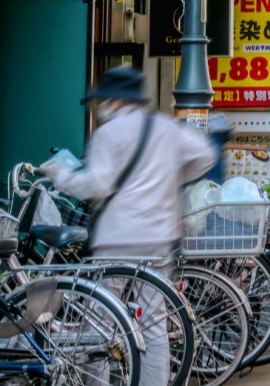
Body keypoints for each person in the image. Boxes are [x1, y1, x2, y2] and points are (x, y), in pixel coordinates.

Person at [42, 66, 215, 386]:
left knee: (100, 321)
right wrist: (173, 178)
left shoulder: (109, 133)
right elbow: (205, 156)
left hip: (118, 241)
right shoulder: (165, 127)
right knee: (153, 321)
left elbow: (97, 185)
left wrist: (60, 174)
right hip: (159, 238)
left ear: (114, 100)